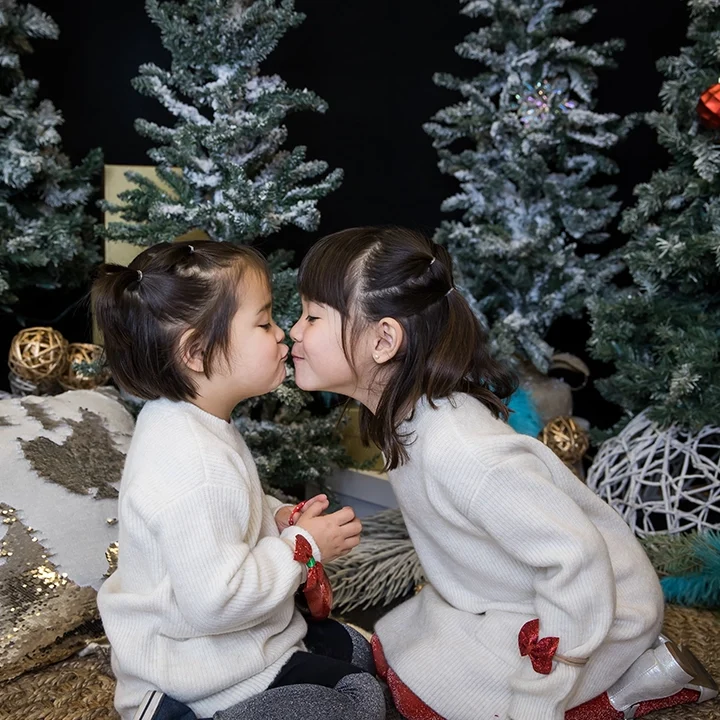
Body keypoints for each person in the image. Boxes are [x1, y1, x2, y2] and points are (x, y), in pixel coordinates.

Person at [289, 226, 718, 720]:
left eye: (312, 316)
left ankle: (632, 689)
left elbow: (575, 561)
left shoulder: (464, 453)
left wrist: (543, 688)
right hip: (504, 595)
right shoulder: (408, 420)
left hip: (597, 607)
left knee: (440, 704)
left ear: (384, 340)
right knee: (397, 653)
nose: (294, 330)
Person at [93, 240, 385, 720]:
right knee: (354, 703)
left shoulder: (185, 418)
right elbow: (216, 600)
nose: (282, 335)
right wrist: (304, 546)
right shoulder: (194, 465)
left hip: (229, 648)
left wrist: (275, 515)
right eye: (264, 322)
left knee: (353, 649)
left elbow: (229, 508)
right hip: (190, 681)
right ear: (198, 351)